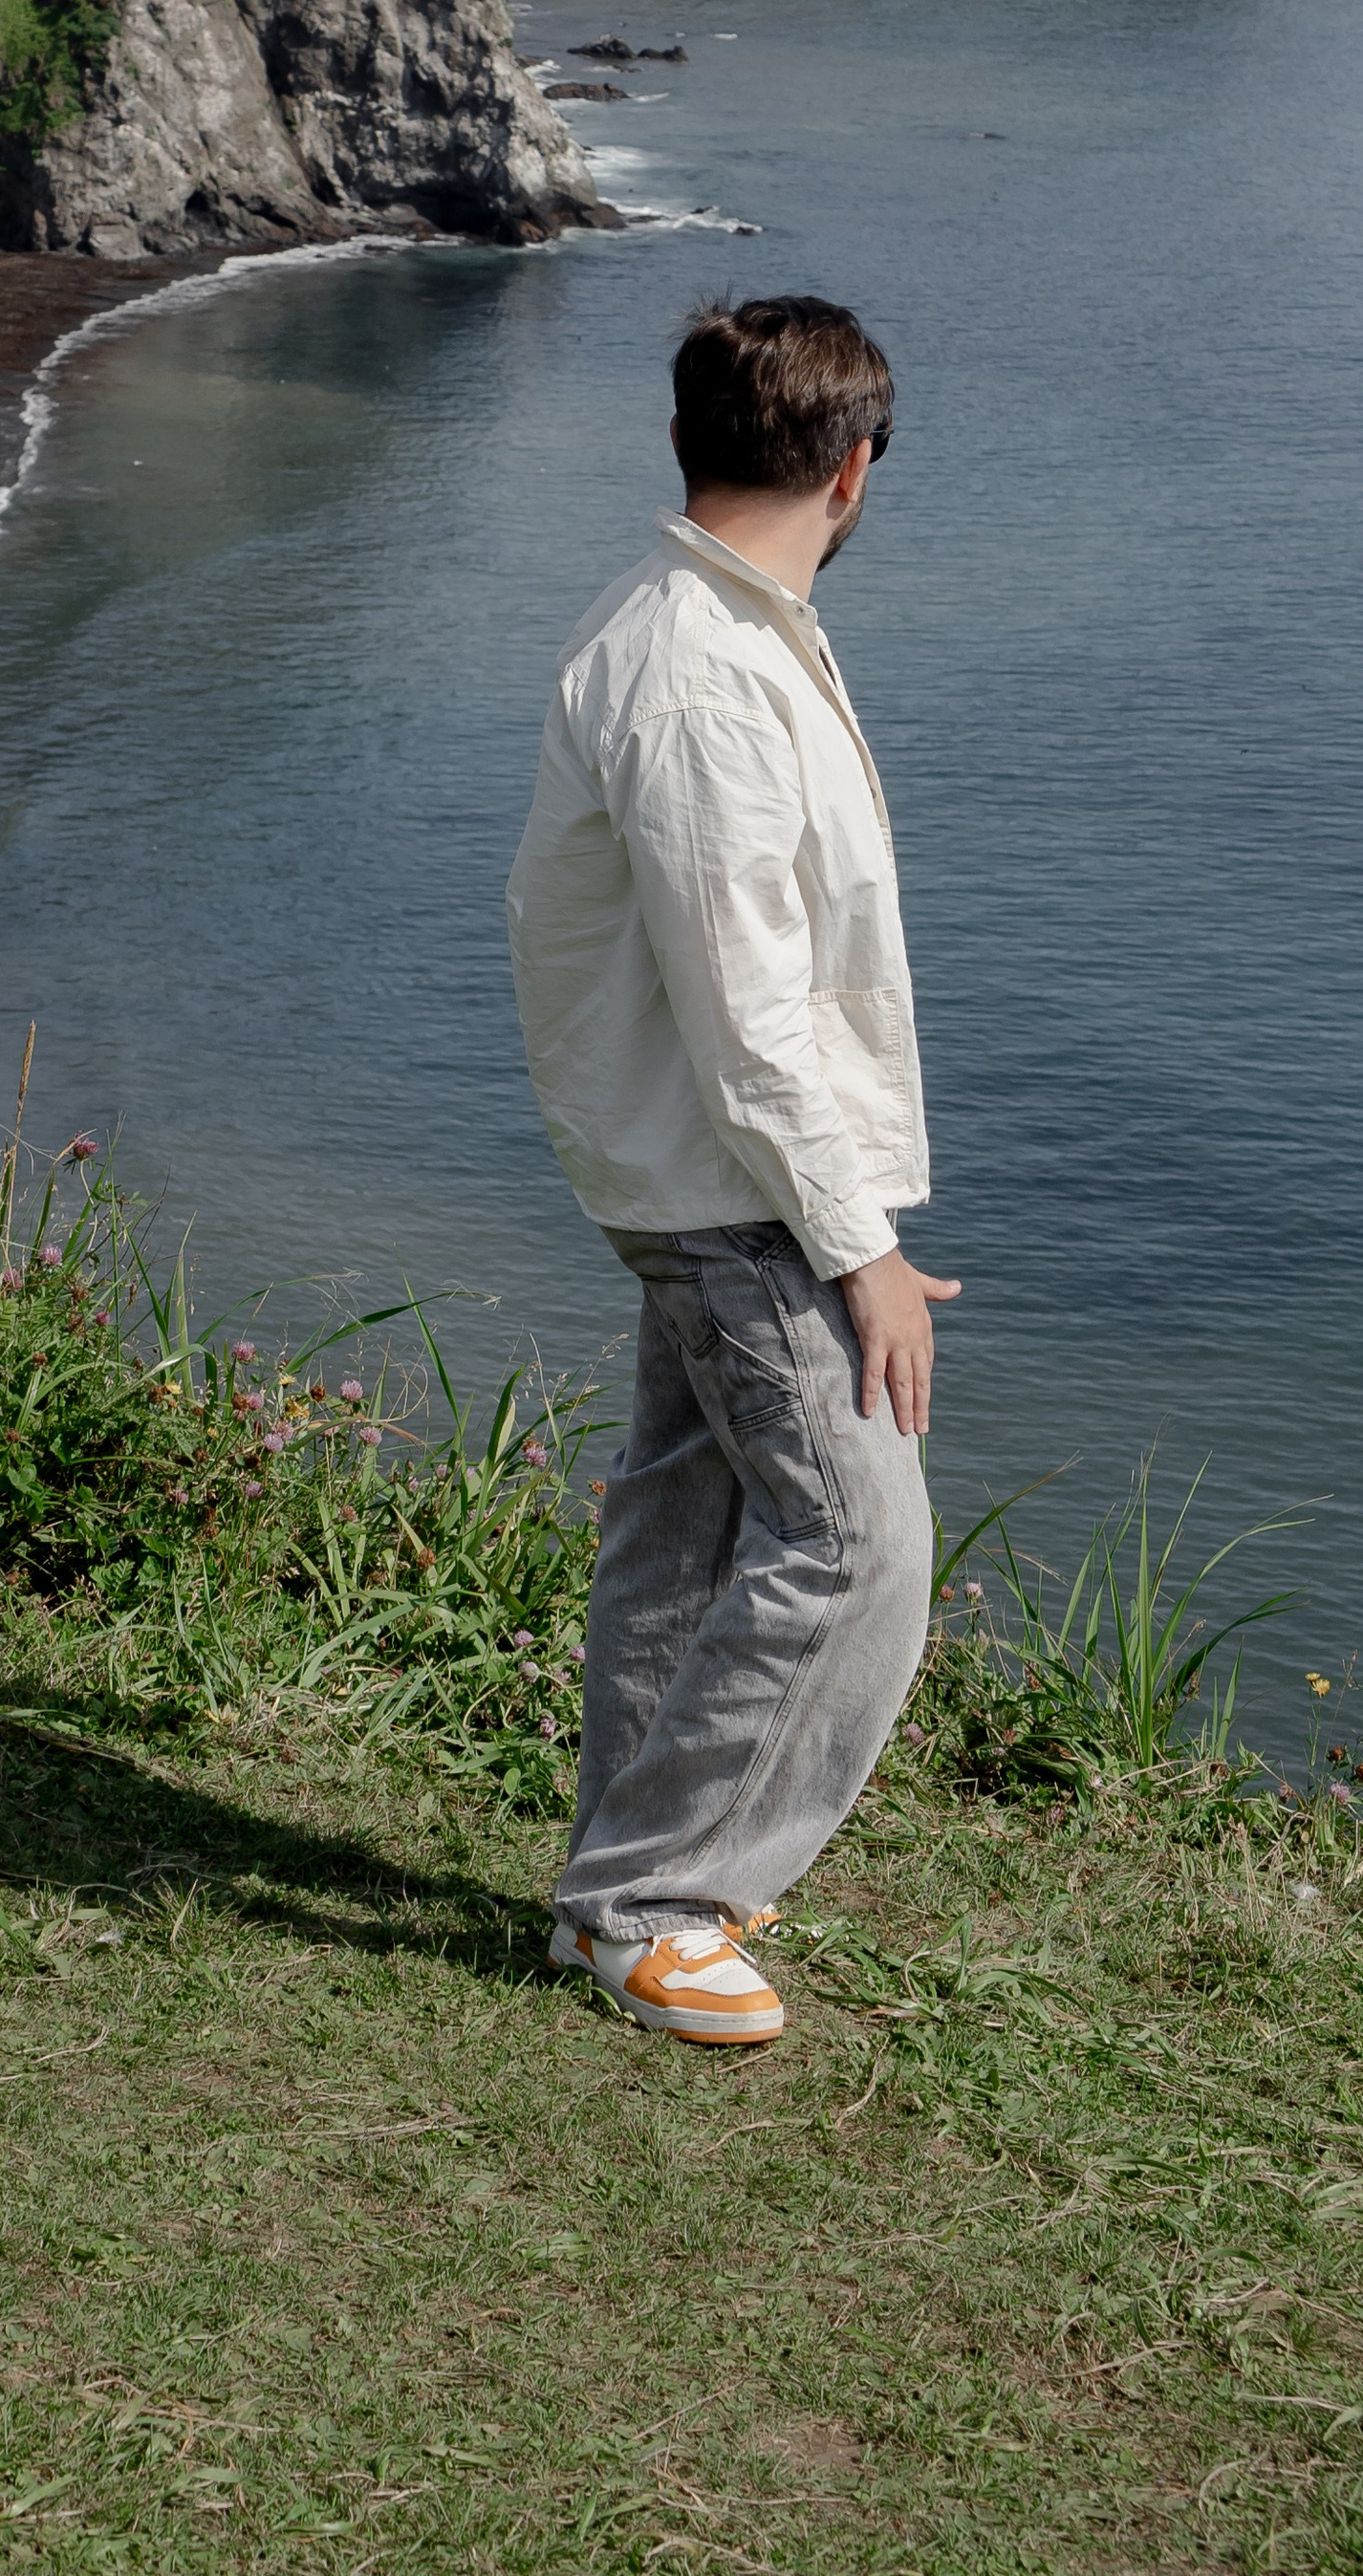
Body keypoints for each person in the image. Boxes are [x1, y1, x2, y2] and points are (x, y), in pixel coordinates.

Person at [506, 293, 956, 2047]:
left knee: (691, 1527)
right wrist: (864, 1249)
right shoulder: (704, 675)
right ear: (852, 470)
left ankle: (630, 1869)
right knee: (860, 1540)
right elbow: (748, 1006)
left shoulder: (717, 623)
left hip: (696, 1157)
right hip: (729, 1177)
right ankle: (652, 1899)